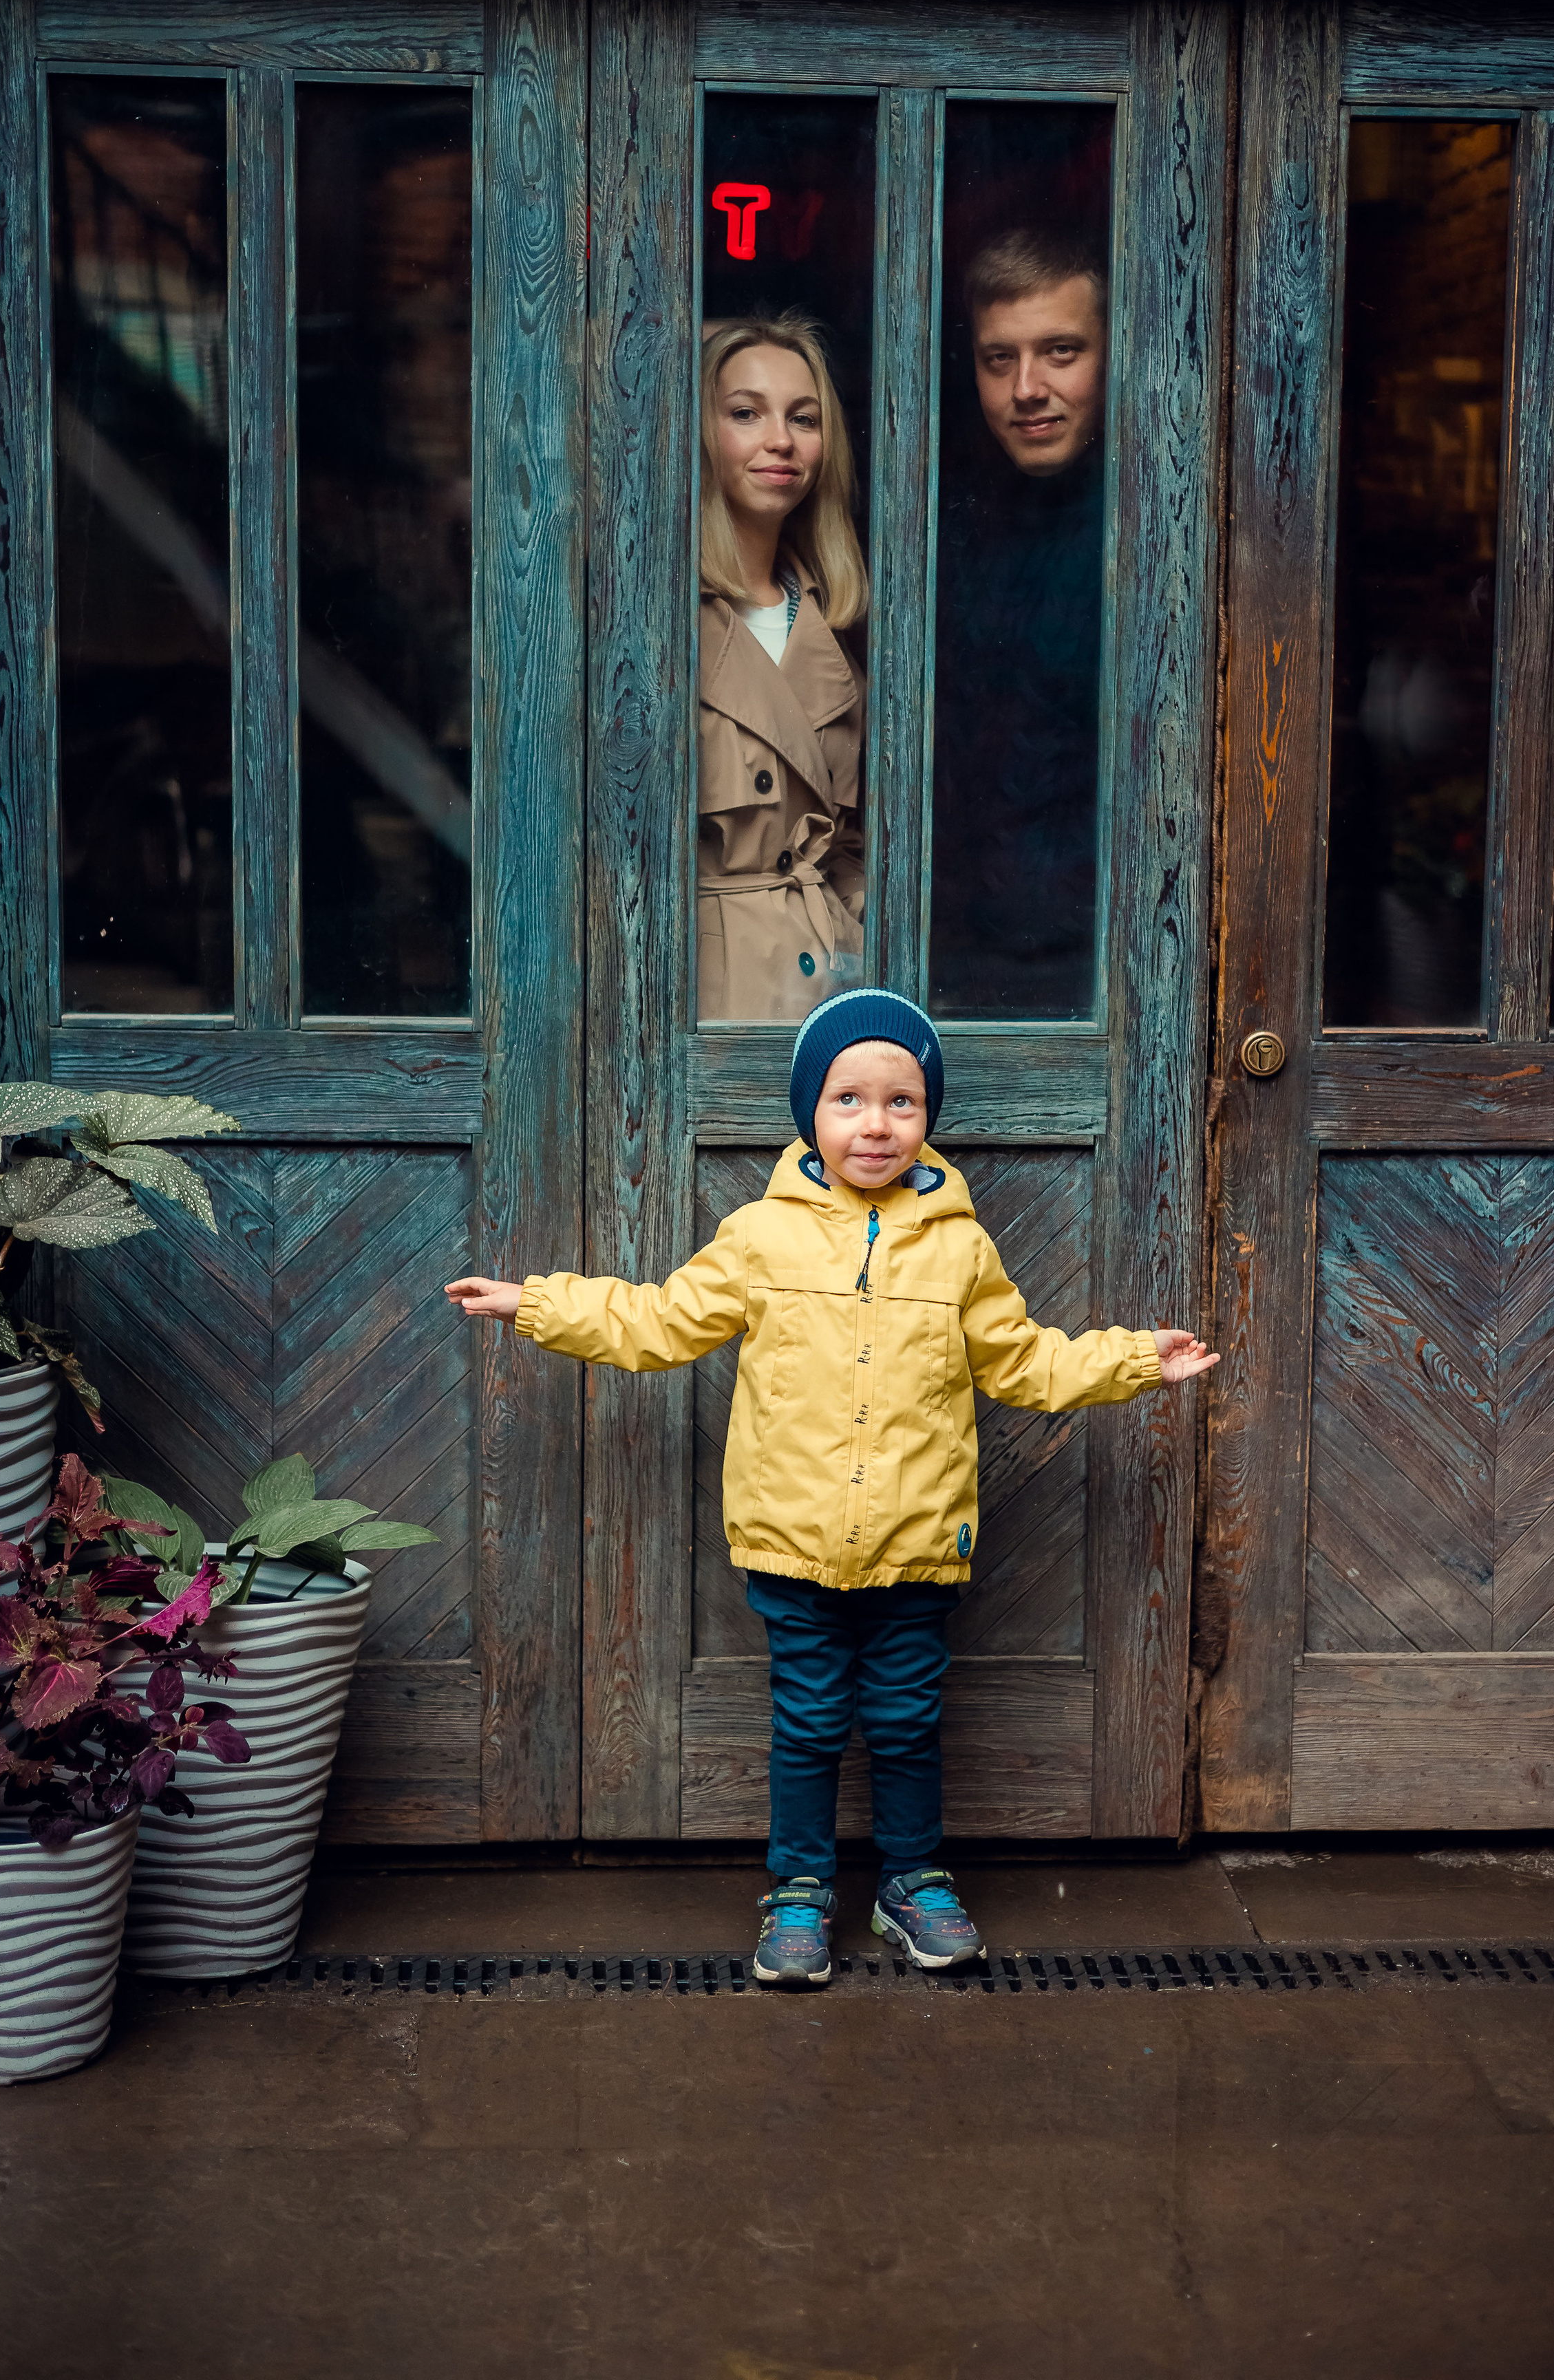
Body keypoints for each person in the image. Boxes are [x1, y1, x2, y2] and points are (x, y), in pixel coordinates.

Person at [446, 987, 1217, 1989]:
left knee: (905, 1719)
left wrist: (1130, 1362)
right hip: (792, 1542)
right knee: (807, 1721)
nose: (876, 1123)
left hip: (917, 1541)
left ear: (928, 1116)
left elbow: (1022, 1362)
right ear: (810, 1110)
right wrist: (533, 1302)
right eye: (849, 1098)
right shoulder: (761, 1237)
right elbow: (659, 1322)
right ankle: (799, 1889)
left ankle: (913, 1880)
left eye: (902, 1101)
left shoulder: (959, 1245)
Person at [931, 230, 1111, 1018]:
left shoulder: (1163, 526)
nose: (1027, 387)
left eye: (1061, 351)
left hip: (1115, 975)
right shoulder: (937, 521)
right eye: (999, 359)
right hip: (943, 961)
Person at [696, 312, 869, 1022]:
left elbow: (851, 845)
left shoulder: (834, 622)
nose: (781, 441)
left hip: (833, 989)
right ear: (700, 434)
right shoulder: (649, 623)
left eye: (804, 418)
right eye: (745, 413)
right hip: (707, 995)